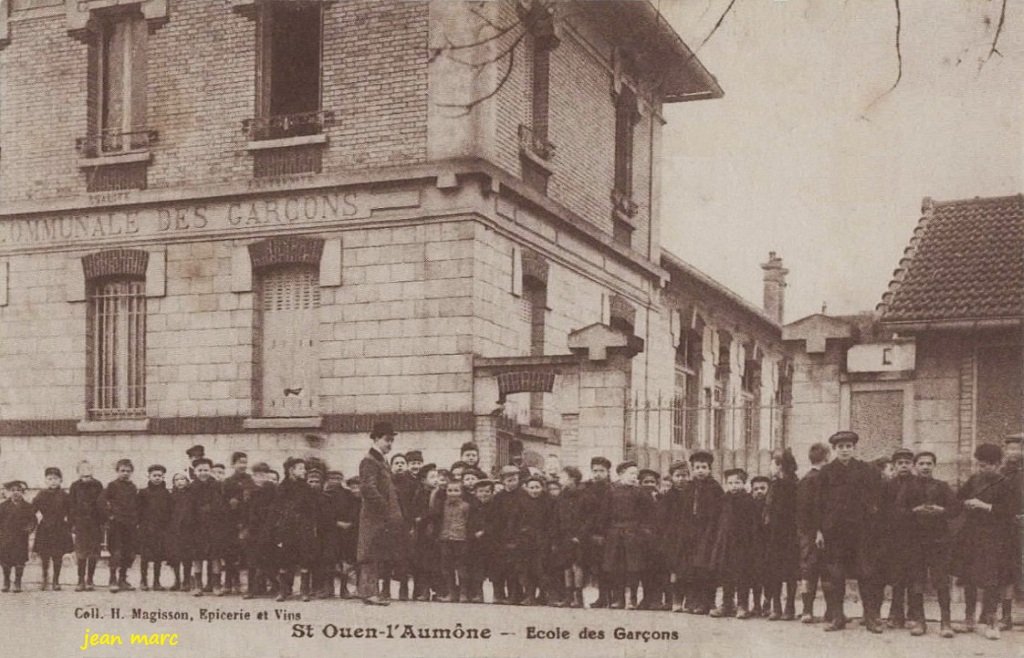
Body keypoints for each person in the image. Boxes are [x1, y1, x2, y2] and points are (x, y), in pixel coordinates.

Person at [814, 430, 884, 633]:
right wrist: (819, 530)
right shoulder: (826, 472)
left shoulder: (866, 470)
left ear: (854, 448)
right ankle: (838, 617)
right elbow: (818, 504)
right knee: (836, 575)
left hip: (861, 532)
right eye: (841, 447)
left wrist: (872, 520)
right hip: (835, 533)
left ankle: (870, 617)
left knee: (866, 573)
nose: (845, 450)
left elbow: (876, 497)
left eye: (848, 446)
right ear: (834, 449)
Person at [953, 443, 1018, 641]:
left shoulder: (1006, 484)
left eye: (986, 465)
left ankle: (991, 622)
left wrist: (984, 506)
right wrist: (966, 503)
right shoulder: (974, 480)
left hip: (994, 538)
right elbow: (958, 499)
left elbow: (1011, 511)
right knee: (969, 578)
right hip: (972, 536)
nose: (982, 469)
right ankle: (969, 619)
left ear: (997, 464)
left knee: (991, 581)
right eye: (979, 465)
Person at [905, 450, 957, 638]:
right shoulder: (908, 487)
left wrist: (941, 510)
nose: (925, 467)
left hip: (938, 541)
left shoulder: (942, 486)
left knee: (941, 581)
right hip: (915, 541)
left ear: (934, 466)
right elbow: (897, 511)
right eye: (921, 463)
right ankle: (920, 621)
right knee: (917, 581)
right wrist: (914, 510)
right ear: (915, 466)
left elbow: (956, 508)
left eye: (929, 463)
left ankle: (946, 622)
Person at [357, 422, 408, 606]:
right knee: (369, 552)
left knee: (376, 552)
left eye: (392, 441)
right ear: (376, 438)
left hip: (381, 516)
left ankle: (372, 592)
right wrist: (385, 509)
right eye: (387, 440)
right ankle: (369, 593)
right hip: (374, 516)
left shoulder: (380, 460)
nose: (390, 444)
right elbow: (367, 488)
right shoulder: (370, 460)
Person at [601, 461, 650, 610]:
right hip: (615, 533)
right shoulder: (611, 491)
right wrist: (604, 532)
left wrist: (643, 530)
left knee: (633, 567)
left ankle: (632, 598)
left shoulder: (640, 492)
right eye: (631, 473)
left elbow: (648, 513)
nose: (634, 477)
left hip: (633, 533)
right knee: (616, 567)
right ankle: (618, 598)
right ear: (621, 474)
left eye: (636, 474)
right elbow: (604, 513)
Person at [270, 457, 319, 602]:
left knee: (304, 558)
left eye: (304, 468)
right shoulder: (282, 488)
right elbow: (276, 509)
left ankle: (304, 591)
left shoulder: (307, 488)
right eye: (301, 468)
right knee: (284, 558)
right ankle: (284, 590)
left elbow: (312, 509)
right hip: (286, 527)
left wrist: (310, 525)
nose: (304, 471)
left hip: (303, 527)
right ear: (291, 470)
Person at [710, 468, 756, 619]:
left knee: (742, 574)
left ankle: (743, 605)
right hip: (726, 543)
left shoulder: (748, 501)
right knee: (726, 574)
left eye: (737, 482)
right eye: (730, 483)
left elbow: (752, 524)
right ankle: (727, 604)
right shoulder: (723, 500)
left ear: (744, 483)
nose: (734, 486)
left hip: (743, 544)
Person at [881, 448, 917, 629]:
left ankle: (913, 614)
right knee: (896, 577)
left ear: (912, 465)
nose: (904, 466)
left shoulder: (918, 484)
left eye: (907, 463)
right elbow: (883, 509)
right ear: (894, 466)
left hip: (914, 537)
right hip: (894, 537)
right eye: (900, 463)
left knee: (913, 576)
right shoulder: (888, 485)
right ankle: (896, 613)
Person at [684, 450, 723, 615]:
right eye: (697, 467)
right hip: (691, 532)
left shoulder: (715, 488)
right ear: (692, 469)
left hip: (709, 532)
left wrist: (712, 531)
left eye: (704, 467)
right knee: (692, 567)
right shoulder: (689, 487)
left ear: (709, 469)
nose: (700, 471)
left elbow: (719, 512)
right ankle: (693, 600)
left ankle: (707, 601)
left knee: (706, 568)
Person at [763, 449, 799, 621]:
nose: (770, 467)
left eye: (772, 463)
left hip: (789, 534)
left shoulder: (793, 485)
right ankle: (776, 606)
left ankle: (789, 606)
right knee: (774, 570)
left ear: (780, 466)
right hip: (774, 534)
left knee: (790, 571)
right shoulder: (774, 484)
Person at [797, 442, 830, 623]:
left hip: (809, 533)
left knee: (810, 571)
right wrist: (818, 530)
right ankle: (820, 611)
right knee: (823, 571)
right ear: (827, 458)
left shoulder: (806, 479)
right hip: (816, 534)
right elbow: (812, 510)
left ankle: (808, 611)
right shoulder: (818, 479)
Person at [508, 475, 552, 606]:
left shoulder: (548, 502)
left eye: (537, 487)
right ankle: (529, 595)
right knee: (525, 569)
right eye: (531, 487)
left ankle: (544, 595)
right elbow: (513, 521)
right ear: (526, 488)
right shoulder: (520, 502)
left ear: (542, 488)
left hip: (542, 541)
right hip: (525, 541)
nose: (534, 490)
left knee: (541, 568)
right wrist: (515, 537)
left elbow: (551, 522)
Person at [187, 458, 226, 597]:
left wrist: (212, 510)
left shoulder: (217, 486)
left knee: (215, 556)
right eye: (200, 470)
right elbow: (188, 507)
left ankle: (216, 585)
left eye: (206, 470)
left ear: (210, 471)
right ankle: (198, 585)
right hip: (197, 527)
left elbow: (221, 504)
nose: (203, 473)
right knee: (197, 557)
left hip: (214, 526)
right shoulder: (191, 487)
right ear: (195, 471)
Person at [100, 458, 140, 593]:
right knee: (116, 552)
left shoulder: (133, 487)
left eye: (128, 471)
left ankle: (123, 579)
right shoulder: (112, 486)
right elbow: (101, 502)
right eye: (122, 471)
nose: (125, 473)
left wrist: (136, 519)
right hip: (116, 525)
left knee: (129, 553)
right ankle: (112, 579)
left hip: (130, 524)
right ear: (117, 471)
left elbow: (137, 505)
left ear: (132, 472)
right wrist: (109, 516)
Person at [32, 467, 73, 591]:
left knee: (57, 555)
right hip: (45, 528)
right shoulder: (41, 494)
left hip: (60, 528)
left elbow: (71, 512)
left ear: (60, 480)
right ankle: (45, 578)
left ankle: (56, 580)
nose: (53, 481)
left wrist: (69, 525)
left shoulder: (65, 495)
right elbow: (32, 510)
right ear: (46, 480)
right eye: (50, 479)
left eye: (55, 479)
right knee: (44, 555)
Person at [552, 466, 587, 608]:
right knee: (566, 565)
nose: (560, 479)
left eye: (563, 477)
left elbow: (589, 518)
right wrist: (556, 537)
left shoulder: (584, 495)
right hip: (564, 535)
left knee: (577, 565)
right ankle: (568, 596)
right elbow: (556, 517)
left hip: (578, 537)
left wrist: (580, 535)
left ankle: (578, 597)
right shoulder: (562, 496)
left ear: (572, 479)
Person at [434, 479, 473, 603]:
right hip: (445, 538)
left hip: (461, 539)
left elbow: (468, 522)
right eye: (449, 490)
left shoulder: (466, 506)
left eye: (456, 490)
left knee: (462, 567)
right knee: (447, 567)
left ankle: (463, 593)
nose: (452, 493)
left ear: (461, 492)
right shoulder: (443, 505)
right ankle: (451, 593)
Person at [242, 463, 277, 599]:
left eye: (263, 475)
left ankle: (275, 585)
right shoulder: (248, 490)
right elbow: (244, 510)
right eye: (257, 475)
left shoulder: (273, 490)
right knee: (252, 560)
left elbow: (275, 509)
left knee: (268, 559)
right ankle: (251, 589)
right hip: (252, 529)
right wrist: (244, 526)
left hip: (269, 528)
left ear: (267, 476)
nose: (260, 478)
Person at [69, 460, 105, 591]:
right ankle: (80, 580)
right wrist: (72, 523)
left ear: (92, 470)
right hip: (81, 524)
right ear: (78, 472)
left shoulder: (98, 485)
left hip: (95, 524)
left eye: (89, 468)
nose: (86, 471)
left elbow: (102, 504)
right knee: (81, 552)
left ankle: (90, 579)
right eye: (82, 469)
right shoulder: (75, 486)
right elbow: (71, 505)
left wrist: (102, 522)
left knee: (93, 552)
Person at [659, 460, 690, 612]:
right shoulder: (668, 496)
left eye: (684, 475)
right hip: (672, 538)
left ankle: (688, 600)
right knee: (673, 570)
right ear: (672, 477)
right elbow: (662, 519)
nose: (681, 479)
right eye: (677, 476)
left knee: (687, 570)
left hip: (689, 537)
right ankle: (674, 600)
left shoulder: (692, 493)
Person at [998, 433, 1022, 631]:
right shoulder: (1000, 474)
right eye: (1011, 448)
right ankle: (1006, 616)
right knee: (1006, 571)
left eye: (1019, 448)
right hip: (1007, 529)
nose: (1015, 452)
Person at [222, 451, 254, 596]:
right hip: (230, 522)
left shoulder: (250, 480)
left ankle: (244, 584)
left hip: (246, 521)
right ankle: (229, 582)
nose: (243, 465)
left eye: (245, 462)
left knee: (245, 554)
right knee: (230, 553)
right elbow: (223, 502)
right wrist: (231, 505)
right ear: (233, 464)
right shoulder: (228, 482)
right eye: (240, 462)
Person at [583, 456, 613, 607]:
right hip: (591, 533)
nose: (598, 474)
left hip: (609, 532)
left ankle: (611, 597)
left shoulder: (612, 489)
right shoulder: (586, 488)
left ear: (607, 472)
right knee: (596, 566)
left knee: (609, 567)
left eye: (601, 471)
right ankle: (602, 597)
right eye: (595, 471)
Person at [492, 464, 524, 604]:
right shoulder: (499, 497)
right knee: (499, 566)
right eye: (509, 480)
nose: (512, 483)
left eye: (515, 479)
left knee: (514, 567)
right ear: (503, 481)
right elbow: (495, 517)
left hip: (517, 534)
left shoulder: (522, 495)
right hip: (501, 535)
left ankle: (515, 594)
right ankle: (499, 594)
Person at [137, 465, 172, 591]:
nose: (157, 478)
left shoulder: (166, 493)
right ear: (149, 476)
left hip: (160, 529)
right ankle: (143, 580)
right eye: (154, 475)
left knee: (158, 556)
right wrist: (140, 525)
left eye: (160, 476)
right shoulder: (143, 492)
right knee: (145, 556)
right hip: (146, 528)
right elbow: (138, 510)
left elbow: (169, 511)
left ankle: (157, 581)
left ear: (163, 477)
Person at [638, 469, 668, 610]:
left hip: (659, 539)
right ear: (640, 483)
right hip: (642, 538)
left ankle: (657, 599)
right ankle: (646, 597)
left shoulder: (662, 498)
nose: (649, 484)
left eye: (652, 482)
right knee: (644, 570)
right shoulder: (637, 498)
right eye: (646, 482)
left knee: (658, 569)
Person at [411, 463, 440, 601]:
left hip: (436, 531)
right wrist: (421, 519)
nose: (436, 480)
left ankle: (438, 590)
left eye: (437, 476)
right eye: (432, 477)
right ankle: (423, 590)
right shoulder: (420, 494)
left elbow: (438, 512)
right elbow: (416, 512)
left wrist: (424, 518)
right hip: (423, 533)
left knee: (436, 562)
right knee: (423, 561)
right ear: (423, 480)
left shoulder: (440, 493)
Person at [0, 481, 36, 593]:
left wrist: (29, 528)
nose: (16, 493)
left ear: (23, 492)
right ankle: (6, 581)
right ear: (8, 492)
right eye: (13, 490)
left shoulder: (28, 506)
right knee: (5, 561)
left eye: (19, 490)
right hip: (6, 538)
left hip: (21, 538)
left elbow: (33, 520)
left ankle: (17, 582)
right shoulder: (3, 506)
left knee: (20, 561)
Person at [467, 478, 496, 603]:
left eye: (487, 492)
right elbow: (468, 522)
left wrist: (485, 531)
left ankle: (498, 594)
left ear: (492, 493)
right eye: (480, 491)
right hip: (475, 542)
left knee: (494, 568)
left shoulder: (495, 506)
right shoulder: (472, 506)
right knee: (477, 568)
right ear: (475, 493)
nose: (483, 494)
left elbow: (497, 522)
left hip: (492, 541)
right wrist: (473, 533)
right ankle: (478, 593)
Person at [164, 473, 192, 592]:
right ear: (173, 483)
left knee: (187, 556)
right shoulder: (171, 496)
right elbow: (166, 512)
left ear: (187, 481)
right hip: (173, 530)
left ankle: (187, 581)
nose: (180, 482)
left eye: (182, 479)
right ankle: (177, 580)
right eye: (176, 480)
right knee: (174, 556)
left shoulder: (191, 496)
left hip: (188, 530)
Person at [748, 475, 770, 616]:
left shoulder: (772, 505)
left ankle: (767, 604)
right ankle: (756, 604)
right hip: (753, 545)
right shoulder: (749, 505)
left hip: (769, 544)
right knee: (755, 574)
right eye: (756, 489)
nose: (759, 491)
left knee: (768, 575)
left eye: (763, 488)